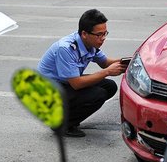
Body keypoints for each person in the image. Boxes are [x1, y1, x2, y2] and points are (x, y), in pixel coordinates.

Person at [37, 9, 126, 137]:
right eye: (99, 35)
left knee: (109, 86)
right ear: (84, 34)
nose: (103, 38)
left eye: (105, 33)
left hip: (66, 82)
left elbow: (105, 62)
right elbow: (77, 84)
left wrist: (128, 60)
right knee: (98, 94)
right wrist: (107, 72)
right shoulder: (66, 48)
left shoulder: (90, 43)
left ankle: (68, 116)